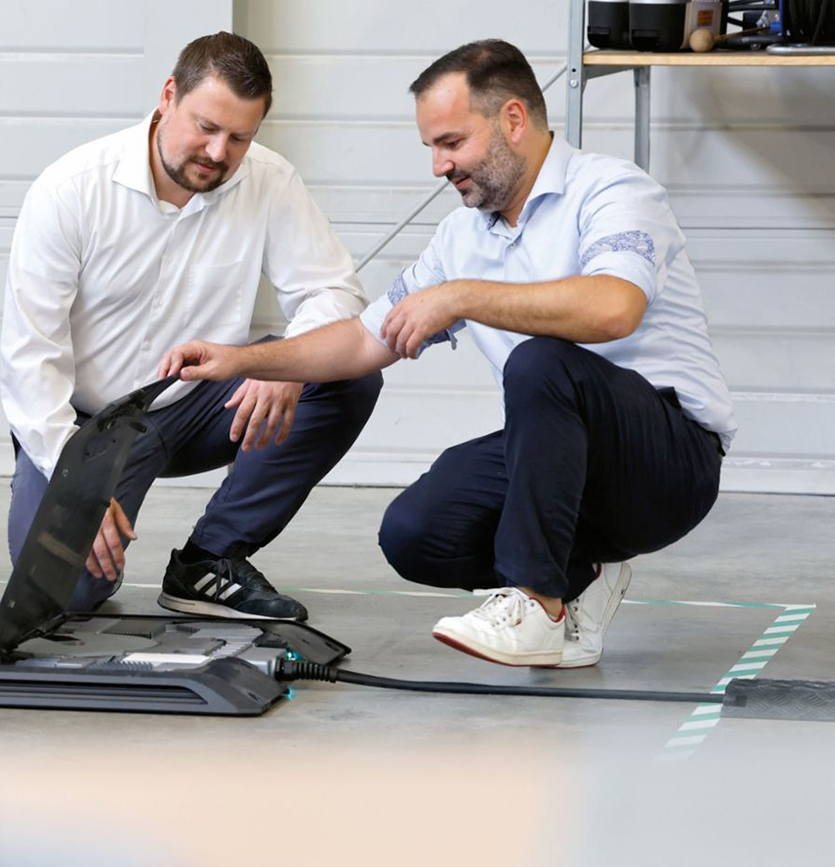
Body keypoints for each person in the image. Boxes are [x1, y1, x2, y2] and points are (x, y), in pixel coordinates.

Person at [161, 39, 734, 665]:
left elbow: (613, 307)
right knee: (416, 533)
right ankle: (582, 576)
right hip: (559, 461)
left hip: (666, 463)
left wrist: (462, 296)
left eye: (452, 142)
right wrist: (241, 360)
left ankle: (538, 606)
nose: (439, 166)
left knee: (542, 361)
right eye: (430, 147)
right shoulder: (461, 236)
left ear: (513, 120)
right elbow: (365, 337)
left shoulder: (612, 190)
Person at [0, 32, 383, 621]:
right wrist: (74, 483)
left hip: (200, 405)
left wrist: (290, 362)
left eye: (240, 138)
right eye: (206, 127)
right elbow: (30, 358)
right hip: (91, 426)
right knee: (63, 598)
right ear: (168, 96)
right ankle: (61, 505)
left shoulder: (269, 180)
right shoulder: (70, 190)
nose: (218, 151)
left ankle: (210, 558)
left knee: (342, 372)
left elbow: (335, 293)